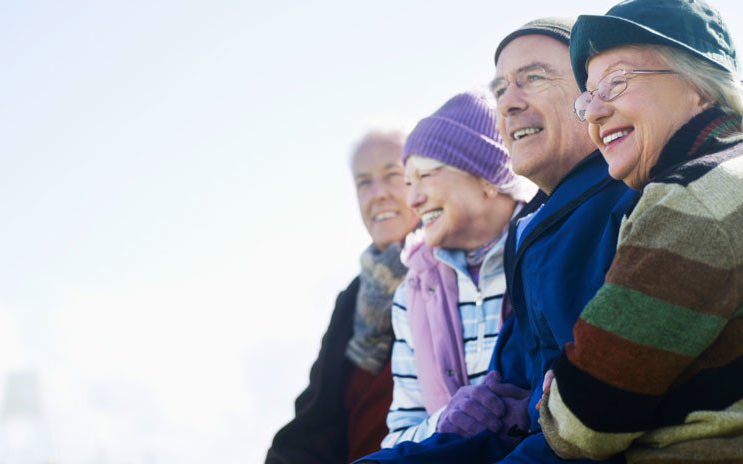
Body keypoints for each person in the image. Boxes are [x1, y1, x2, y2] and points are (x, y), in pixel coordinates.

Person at [357, 17, 638, 463]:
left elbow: (595, 415)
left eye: (532, 77)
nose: (507, 103)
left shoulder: (631, 200)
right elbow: (511, 393)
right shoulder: (531, 233)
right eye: (500, 88)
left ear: (592, 93)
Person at [539, 1, 743, 462]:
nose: (593, 113)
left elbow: (584, 423)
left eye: (617, 82)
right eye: (587, 96)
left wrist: (558, 393)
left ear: (699, 86)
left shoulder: (692, 198)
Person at [380, 90, 536, 448]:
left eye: (427, 175)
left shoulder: (547, 252)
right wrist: (446, 421)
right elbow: (398, 437)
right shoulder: (413, 292)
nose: (412, 199)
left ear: (487, 178)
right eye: (408, 183)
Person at [266, 131, 418, 464]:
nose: (377, 195)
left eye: (393, 175)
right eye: (364, 183)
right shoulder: (354, 297)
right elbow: (314, 420)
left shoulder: (451, 274)